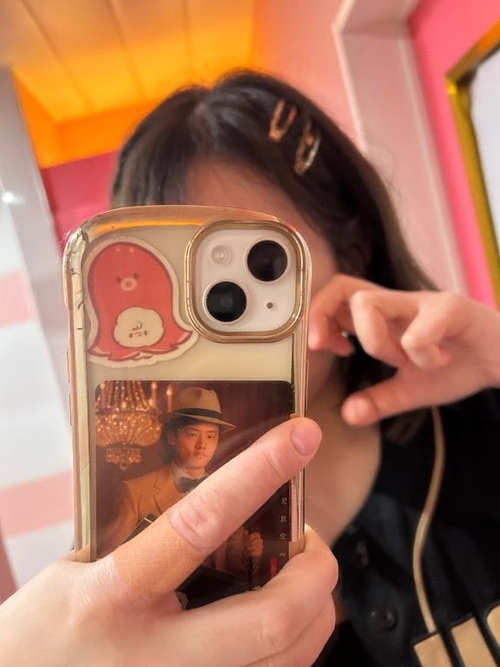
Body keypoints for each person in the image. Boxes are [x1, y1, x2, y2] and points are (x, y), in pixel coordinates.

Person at [0, 70, 499, 666]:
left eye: (260, 264)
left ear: (354, 247)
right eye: (177, 284)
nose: (217, 322)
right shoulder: (139, 563)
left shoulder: (480, 416)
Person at [100, 386, 264, 585]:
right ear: (172, 437)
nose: (202, 445)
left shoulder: (227, 492)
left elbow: (232, 562)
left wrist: (248, 553)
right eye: (193, 434)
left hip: (215, 601)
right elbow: (111, 566)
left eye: (211, 436)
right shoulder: (134, 492)